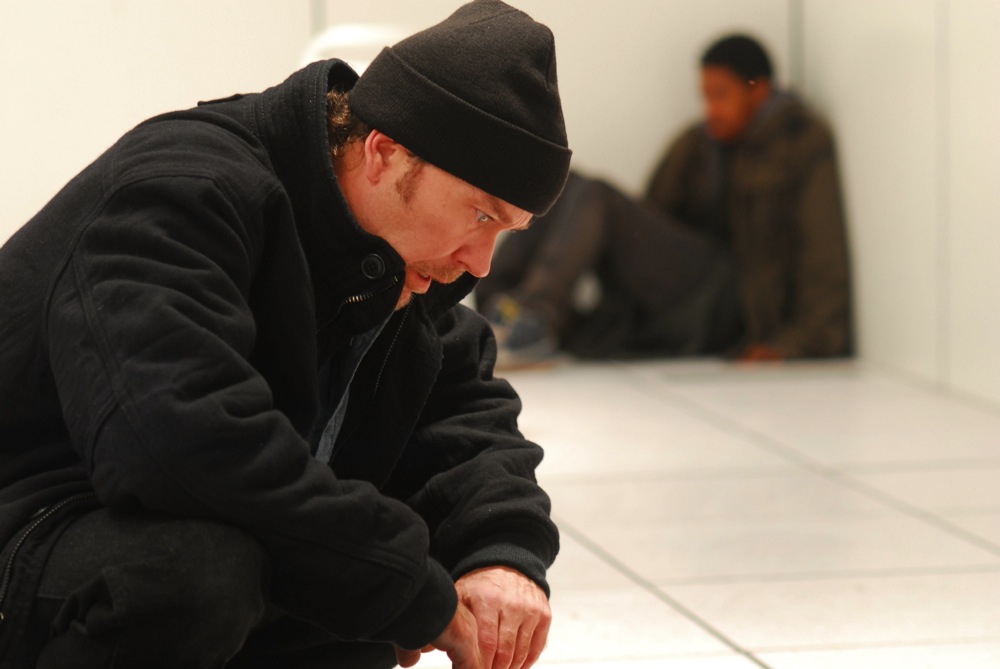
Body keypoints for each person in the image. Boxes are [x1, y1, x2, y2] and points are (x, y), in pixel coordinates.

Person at [0, 1, 571, 668]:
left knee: (352, 598)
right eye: (481, 216)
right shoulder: (182, 194)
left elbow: (463, 414)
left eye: (506, 231)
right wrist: (405, 584)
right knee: (197, 575)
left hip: (133, 532)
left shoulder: (395, 262)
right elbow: (182, 448)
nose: (481, 263)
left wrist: (501, 553)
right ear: (385, 153)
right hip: (33, 524)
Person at [476, 34, 852, 365]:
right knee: (569, 184)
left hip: (733, 301)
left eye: (721, 95)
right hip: (689, 284)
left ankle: (534, 323)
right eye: (706, 96)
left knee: (597, 195)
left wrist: (795, 344)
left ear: (759, 90)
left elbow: (824, 254)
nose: (711, 109)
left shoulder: (800, 143)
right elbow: (649, 225)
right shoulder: (698, 143)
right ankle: (499, 309)